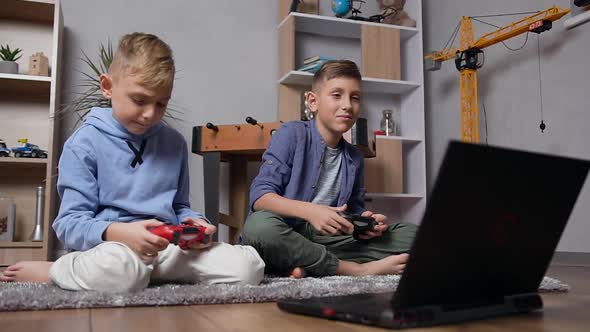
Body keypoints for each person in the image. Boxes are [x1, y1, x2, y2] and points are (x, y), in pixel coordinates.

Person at [0, 33, 264, 291]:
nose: (150, 114)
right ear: (107, 87)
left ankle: (145, 276)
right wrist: (121, 233)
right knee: (120, 271)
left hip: (167, 249)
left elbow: (180, 206)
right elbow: (69, 224)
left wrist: (194, 223)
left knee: (249, 266)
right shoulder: (83, 143)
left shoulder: (174, 144)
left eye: (161, 103)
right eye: (139, 100)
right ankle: (55, 270)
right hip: (114, 250)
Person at [243, 60, 416, 278]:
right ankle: (355, 269)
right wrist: (312, 211)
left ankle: (304, 263)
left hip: (328, 239)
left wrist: (367, 223)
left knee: (413, 235)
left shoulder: (354, 156)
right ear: (312, 102)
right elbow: (260, 197)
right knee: (260, 227)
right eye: (337, 95)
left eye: (355, 97)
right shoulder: (290, 134)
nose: (347, 105)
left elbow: (353, 209)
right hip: (286, 231)